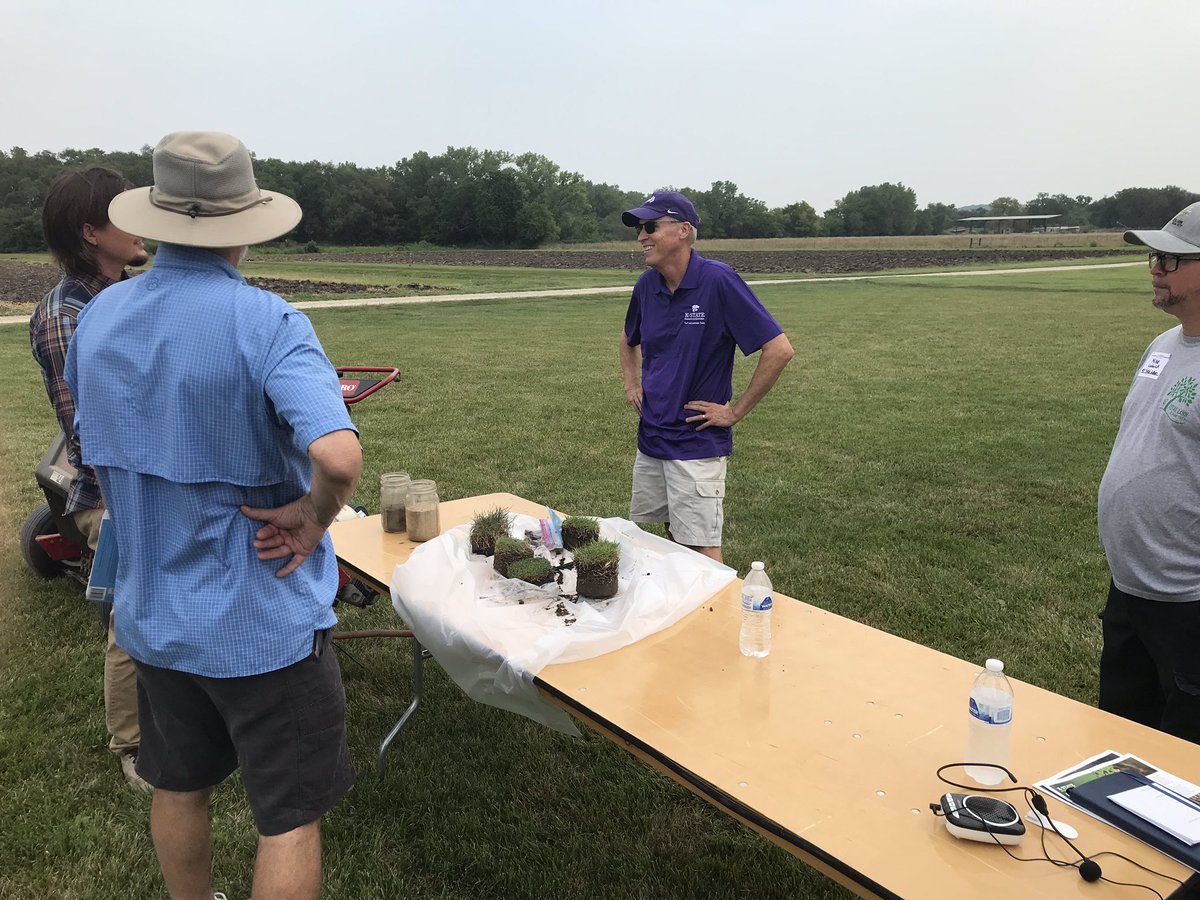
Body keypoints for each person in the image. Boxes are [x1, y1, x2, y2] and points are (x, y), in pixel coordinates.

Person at [65, 132, 362, 899]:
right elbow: (338, 457)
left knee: (178, 784)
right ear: (246, 222)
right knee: (288, 815)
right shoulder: (269, 323)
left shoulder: (97, 318)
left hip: (153, 614)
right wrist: (314, 518)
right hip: (262, 621)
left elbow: (92, 442)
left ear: (157, 216)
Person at [29, 166, 151, 790]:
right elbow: (94, 430)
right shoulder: (68, 313)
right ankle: (134, 747)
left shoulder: (126, 295)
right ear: (90, 232)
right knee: (131, 618)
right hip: (113, 493)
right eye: (124, 212)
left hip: (152, 481)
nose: (141, 223)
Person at [618, 191, 794, 563]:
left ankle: (716, 603)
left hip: (695, 443)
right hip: (652, 437)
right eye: (639, 228)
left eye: (650, 226)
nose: (641, 236)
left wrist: (734, 412)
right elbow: (628, 337)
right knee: (669, 534)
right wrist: (632, 384)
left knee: (701, 547)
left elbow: (779, 349)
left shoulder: (718, 281)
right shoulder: (647, 285)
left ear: (683, 230)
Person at [1097, 202, 1200, 745]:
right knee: (1121, 741)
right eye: (1155, 256)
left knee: (1184, 759)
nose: (1156, 268)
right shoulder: (1164, 345)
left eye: (1172, 258)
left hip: (1188, 603)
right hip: (1132, 590)